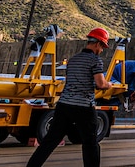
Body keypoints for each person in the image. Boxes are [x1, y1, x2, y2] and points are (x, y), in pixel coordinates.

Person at [26, 27, 112, 167]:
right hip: (84, 107)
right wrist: (109, 85)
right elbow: (100, 84)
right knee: (90, 143)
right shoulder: (95, 60)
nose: (102, 50)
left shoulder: (73, 60)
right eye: (102, 46)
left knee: (50, 141)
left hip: (64, 105)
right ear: (98, 44)